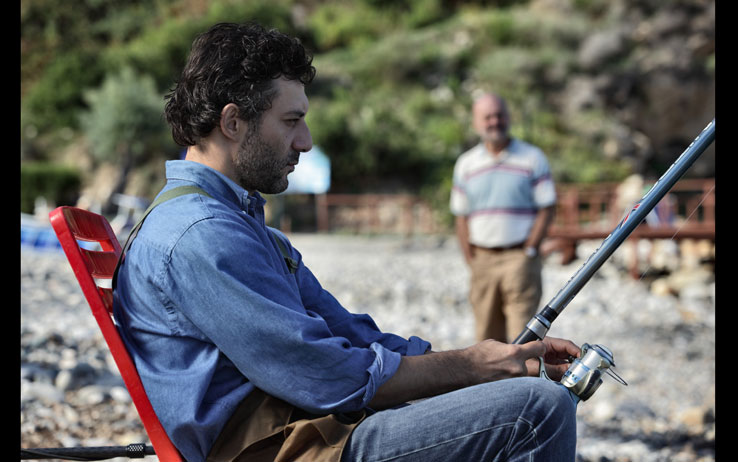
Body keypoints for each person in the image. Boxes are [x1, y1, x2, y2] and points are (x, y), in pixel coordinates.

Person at [113, 22, 579, 462]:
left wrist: (498, 362)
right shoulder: (200, 234)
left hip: (307, 427)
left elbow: (352, 334)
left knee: (521, 392)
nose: (305, 141)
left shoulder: (240, 225)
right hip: (280, 447)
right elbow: (326, 376)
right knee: (535, 410)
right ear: (233, 123)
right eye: (291, 120)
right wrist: (473, 366)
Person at [450, 93, 557, 344]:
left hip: (519, 258)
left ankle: (525, 375)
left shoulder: (532, 158)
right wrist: (471, 259)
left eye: (499, 115)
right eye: (487, 117)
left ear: (508, 118)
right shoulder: (466, 164)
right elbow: (461, 216)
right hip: (482, 259)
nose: (494, 122)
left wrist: (530, 249)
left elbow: (547, 206)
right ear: (476, 122)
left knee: (524, 339)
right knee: (486, 340)